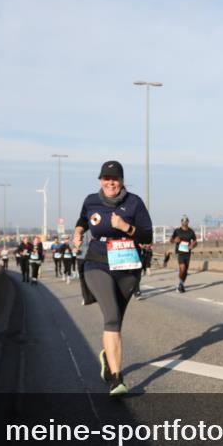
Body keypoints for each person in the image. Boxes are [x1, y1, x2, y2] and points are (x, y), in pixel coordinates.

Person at [72, 160, 152, 396]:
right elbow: (83, 220)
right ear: (100, 180)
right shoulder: (91, 201)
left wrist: (126, 227)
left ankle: (108, 357)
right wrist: (78, 232)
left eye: (114, 178)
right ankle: (116, 379)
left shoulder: (134, 202)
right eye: (106, 178)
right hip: (97, 262)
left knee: (117, 320)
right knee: (112, 317)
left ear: (122, 181)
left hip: (127, 265)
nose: (110, 182)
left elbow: (147, 235)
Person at [171, 215, 197, 293]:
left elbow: (195, 241)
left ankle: (181, 284)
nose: (184, 222)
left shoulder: (191, 231)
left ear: (188, 222)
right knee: (182, 268)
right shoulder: (177, 231)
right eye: (183, 221)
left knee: (185, 271)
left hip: (187, 252)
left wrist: (193, 245)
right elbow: (171, 240)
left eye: (186, 221)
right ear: (181, 222)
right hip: (180, 252)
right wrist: (174, 240)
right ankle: (180, 285)